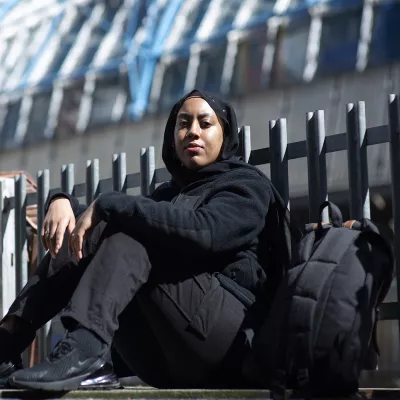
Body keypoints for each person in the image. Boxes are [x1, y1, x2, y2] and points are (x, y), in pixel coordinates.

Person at [0, 90, 291, 391]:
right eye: (183, 123)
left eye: (205, 124)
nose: (192, 131)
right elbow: (109, 223)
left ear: (225, 134)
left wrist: (108, 204)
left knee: (131, 230)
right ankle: (8, 344)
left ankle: (85, 351)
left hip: (230, 346)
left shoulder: (246, 185)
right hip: (163, 357)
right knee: (101, 228)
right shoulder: (168, 195)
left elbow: (207, 232)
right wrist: (62, 203)